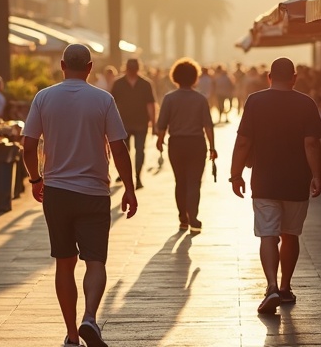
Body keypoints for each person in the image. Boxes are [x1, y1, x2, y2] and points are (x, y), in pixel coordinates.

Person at [22, 44, 138, 347]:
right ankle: (89, 317)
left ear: (62, 65)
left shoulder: (43, 98)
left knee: (64, 262)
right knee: (95, 261)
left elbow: (28, 144)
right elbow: (119, 147)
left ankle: (73, 334)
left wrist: (35, 179)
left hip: (57, 192)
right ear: (90, 67)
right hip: (94, 192)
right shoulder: (103, 99)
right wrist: (129, 187)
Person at [229, 57, 321, 315]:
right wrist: (317, 175)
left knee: (268, 234)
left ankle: (270, 285)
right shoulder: (306, 103)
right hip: (296, 180)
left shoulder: (255, 101)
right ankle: (285, 287)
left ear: (269, 77)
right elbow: (312, 144)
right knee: (290, 234)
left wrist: (235, 174)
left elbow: (243, 142)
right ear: (294, 77)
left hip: (264, 180)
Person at [155, 57, 216, 234]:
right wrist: (212, 147)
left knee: (180, 181)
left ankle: (183, 217)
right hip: (197, 144)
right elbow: (208, 125)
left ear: (175, 77)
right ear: (195, 77)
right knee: (194, 182)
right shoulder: (200, 99)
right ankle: (193, 217)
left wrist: (159, 141)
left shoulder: (169, 98)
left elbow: (162, 124)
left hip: (176, 144)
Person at [110, 58, 157, 189]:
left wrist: (153, 124)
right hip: (123, 123)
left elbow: (150, 105)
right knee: (123, 152)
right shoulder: (118, 84)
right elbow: (112, 104)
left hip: (141, 123)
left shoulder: (145, 84)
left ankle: (137, 175)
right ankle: (126, 175)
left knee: (140, 150)